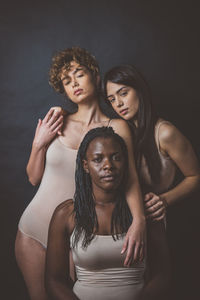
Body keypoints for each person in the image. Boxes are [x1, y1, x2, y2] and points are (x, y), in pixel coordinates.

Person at [15, 48, 146, 299]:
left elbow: (130, 177)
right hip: (32, 229)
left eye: (79, 74)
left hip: (76, 231)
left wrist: (139, 220)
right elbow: (33, 177)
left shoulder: (116, 127)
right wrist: (38, 144)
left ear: (95, 77)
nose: (74, 83)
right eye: (67, 81)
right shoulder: (58, 120)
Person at [45, 126, 171, 300]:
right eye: (98, 159)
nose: (108, 166)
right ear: (85, 165)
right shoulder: (66, 214)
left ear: (126, 162)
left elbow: (163, 275)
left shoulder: (145, 211)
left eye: (116, 158)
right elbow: (54, 280)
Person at [103, 64, 200, 220]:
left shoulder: (164, 133)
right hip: (123, 218)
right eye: (112, 99)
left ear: (139, 90)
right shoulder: (118, 133)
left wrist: (165, 200)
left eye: (123, 93)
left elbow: (195, 176)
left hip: (156, 221)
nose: (118, 103)